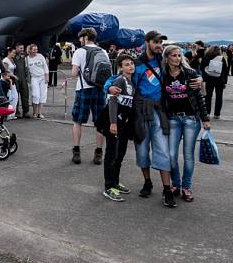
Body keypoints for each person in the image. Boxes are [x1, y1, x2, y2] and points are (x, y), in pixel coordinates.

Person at [106, 30, 201, 208]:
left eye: (161, 43)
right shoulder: (136, 64)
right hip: (140, 113)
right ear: (147, 42)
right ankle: (147, 182)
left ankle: (166, 190)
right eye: (156, 42)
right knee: (142, 152)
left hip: (160, 112)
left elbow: (186, 69)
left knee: (163, 151)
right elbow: (115, 78)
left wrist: (200, 78)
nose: (159, 45)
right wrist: (108, 87)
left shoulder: (163, 61)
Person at [163, 44, 211, 202]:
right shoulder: (163, 75)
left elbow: (199, 98)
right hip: (173, 119)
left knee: (188, 155)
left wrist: (205, 119)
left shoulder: (190, 73)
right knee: (171, 155)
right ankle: (175, 184)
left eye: (179, 55)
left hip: (191, 119)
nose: (177, 58)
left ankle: (186, 187)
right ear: (167, 57)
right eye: (174, 55)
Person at [97, 53, 136, 202]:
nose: (130, 66)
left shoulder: (131, 83)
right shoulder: (119, 81)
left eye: (132, 63)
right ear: (120, 67)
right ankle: (109, 187)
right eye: (126, 64)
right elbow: (113, 101)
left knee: (120, 154)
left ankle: (115, 181)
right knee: (112, 154)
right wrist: (113, 123)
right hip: (113, 121)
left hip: (124, 123)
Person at [66, 28, 107, 164]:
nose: (79, 40)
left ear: (85, 37)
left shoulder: (80, 51)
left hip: (84, 89)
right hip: (100, 89)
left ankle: (76, 151)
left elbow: (74, 73)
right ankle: (99, 152)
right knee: (100, 122)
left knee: (78, 121)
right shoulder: (103, 51)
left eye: (80, 38)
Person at [200, 45, 227, 119]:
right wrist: (225, 81)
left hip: (209, 79)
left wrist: (204, 79)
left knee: (208, 96)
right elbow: (225, 70)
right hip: (220, 80)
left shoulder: (205, 57)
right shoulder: (221, 58)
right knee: (219, 97)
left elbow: (202, 68)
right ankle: (217, 114)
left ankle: (207, 113)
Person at [25, 43, 48, 119]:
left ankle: (39, 113)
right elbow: (25, 69)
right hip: (34, 78)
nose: (36, 51)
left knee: (42, 95)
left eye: (36, 49)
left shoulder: (40, 56)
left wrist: (46, 76)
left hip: (42, 77)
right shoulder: (27, 59)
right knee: (35, 95)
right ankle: (34, 112)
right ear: (30, 50)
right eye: (34, 49)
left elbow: (45, 66)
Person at [12, 43, 31, 118]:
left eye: (23, 48)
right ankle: (16, 112)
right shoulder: (13, 56)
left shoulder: (25, 57)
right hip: (15, 78)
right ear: (16, 48)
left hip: (23, 78)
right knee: (16, 96)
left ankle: (26, 111)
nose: (22, 50)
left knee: (25, 95)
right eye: (20, 48)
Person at [2, 48, 19, 119]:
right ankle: (8, 114)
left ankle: (12, 114)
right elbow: (5, 71)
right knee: (10, 97)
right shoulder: (5, 60)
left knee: (15, 97)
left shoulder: (12, 60)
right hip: (7, 80)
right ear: (9, 52)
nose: (14, 54)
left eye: (15, 53)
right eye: (13, 53)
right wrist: (13, 75)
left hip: (12, 80)